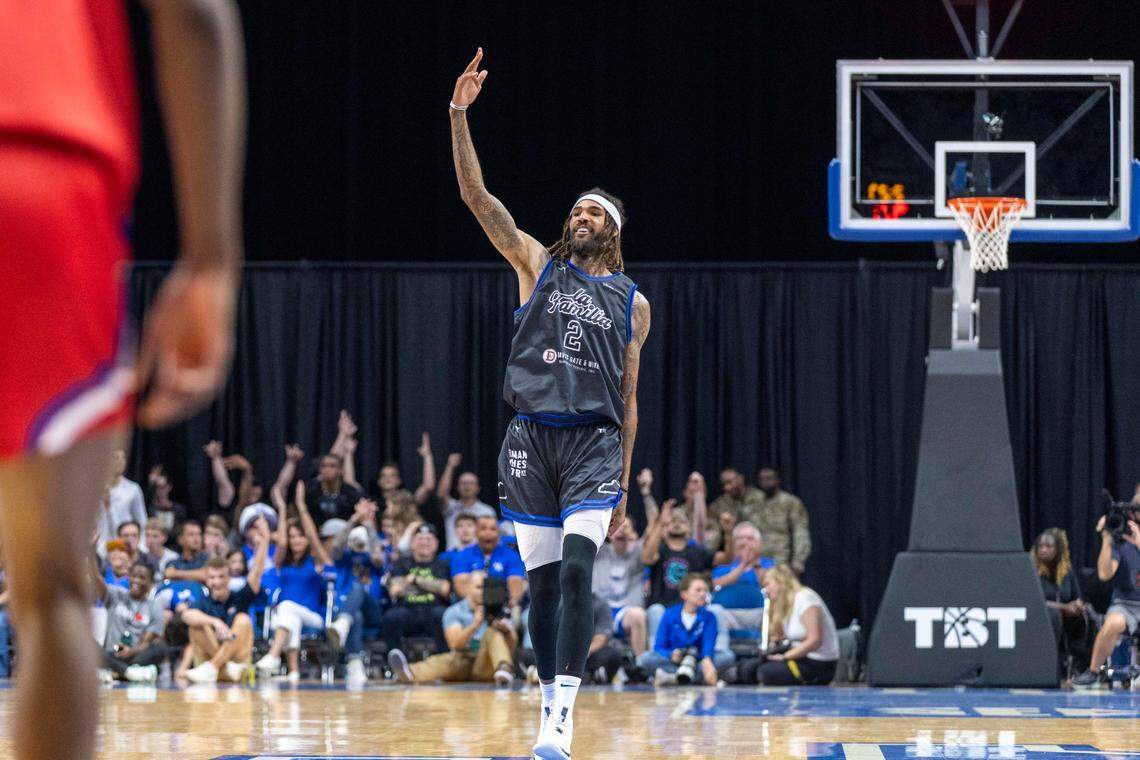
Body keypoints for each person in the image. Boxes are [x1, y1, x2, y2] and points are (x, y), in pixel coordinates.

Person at [450, 48, 652, 760]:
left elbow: (629, 397)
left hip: (593, 444)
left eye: (594, 211)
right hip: (530, 439)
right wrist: (459, 115)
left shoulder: (634, 303)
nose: (581, 215)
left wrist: (625, 478)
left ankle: (563, 716)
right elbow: (479, 200)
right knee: (539, 589)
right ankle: (546, 711)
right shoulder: (537, 264)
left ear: (614, 229)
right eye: (576, 209)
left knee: (576, 571)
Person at [256, 481, 334, 682]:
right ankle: (294, 672)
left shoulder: (316, 560)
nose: (296, 541)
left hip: (314, 617)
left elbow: (313, 537)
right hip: (287, 617)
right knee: (290, 617)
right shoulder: (283, 562)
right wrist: (281, 508)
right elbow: (281, 543)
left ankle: (273, 655)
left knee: (287, 607)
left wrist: (301, 505)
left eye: (300, 537)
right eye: (293, 537)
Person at [388, 571, 516, 687]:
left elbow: (513, 642)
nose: (483, 592)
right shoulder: (454, 612)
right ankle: (408, 673)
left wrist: (506, 630)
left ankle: (504, 669)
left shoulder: (499, 610)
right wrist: (475, 625)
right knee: (449, 660)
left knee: (493, 633)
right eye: (479, 587)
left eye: (485, 588)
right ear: (467, 588)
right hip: (463, 660)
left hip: (486, 664)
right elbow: (454, 643)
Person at [181, 519, 270, 683]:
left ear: (229, 578)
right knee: (198, 624)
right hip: (221, 672)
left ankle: (214, 666)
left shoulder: (238, 597)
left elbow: (256, 573)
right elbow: (186, 615)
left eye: (221, 576)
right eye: (212, 577)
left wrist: (264, 542)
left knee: (243, 620)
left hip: (236, 670)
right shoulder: (204, 601)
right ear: (207, 580)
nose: (217, 582)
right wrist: (215, 622)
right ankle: (218, 666)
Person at [1072, 507, 1140, 688]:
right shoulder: (1121, 544)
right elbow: (1104, 574)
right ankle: (1093, 671)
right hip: (1125, 604)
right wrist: (1106, 540)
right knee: (1112, 623)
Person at [736, 565, 838, 685]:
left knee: (766, 673)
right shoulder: (784, 604)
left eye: (768, 584)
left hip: (819, 661)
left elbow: (815, 640)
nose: (766, 590)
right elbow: (786, 637)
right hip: (798, 656)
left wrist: (785, 656)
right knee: (747, 669)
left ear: (780, 582)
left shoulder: (805, 598)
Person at [636, 574, 732, 686]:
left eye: (705, 591)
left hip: (698, 659)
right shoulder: (670, 614)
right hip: (675, 661)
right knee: (645, 658)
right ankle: (695, 678)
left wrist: (706, 658)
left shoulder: (709, 617)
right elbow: (659, 646)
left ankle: (672, 677)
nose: (702, 594)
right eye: (698, 590)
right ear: (684, 594)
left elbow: (708, 644)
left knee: (727, 656)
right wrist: (671, 654)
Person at [643, 500, 713, 642]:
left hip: (691, 606)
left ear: (689, 529)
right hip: (662, 607)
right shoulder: (659, 548)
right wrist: (661, 522)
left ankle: (707, 656)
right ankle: (656, 656)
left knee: (715, 610)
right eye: (672, 520)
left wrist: (728, 534)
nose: (676, 523)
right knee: (655, 611)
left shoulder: (698, 551)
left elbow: (725, 559)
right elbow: (647, 558)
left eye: (681, 520)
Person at [96, 560, 170, 683]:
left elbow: (146, 642)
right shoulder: (116, 594)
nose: (137, 580)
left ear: (151, 582)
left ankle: (116, 672)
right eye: (134, 576)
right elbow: (96, 580)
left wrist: (131, 651)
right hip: (114, 651)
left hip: (135, 654)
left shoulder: (154, 607)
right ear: (129, 577)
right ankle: (130, 673)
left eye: (142, 577)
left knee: (161, 648)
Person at [383, 523, 451, 653]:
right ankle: (395, 661)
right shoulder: (401, 563)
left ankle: (444, 660)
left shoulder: (442, 564)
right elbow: (395, 590)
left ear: (436, 543)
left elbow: (444, 589)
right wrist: (431, 585)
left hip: (433, 609)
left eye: (429, 539)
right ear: (412, 543)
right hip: (407, 610)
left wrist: (414, 580)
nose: (424, 542)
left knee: (443, 615)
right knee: (390, 617)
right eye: (420, 539)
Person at [1031, 528, 1089, 676]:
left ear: (1057, 549)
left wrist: (1077, 605)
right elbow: (1032, 601)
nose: (1043, 550)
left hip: (1066, 618)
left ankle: (1080, 667)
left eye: (1048, 546)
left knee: (1086, 617)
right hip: (1039, 618)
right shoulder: (1031, 569)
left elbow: (1077, 596)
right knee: (1054, 614)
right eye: (1040, 546)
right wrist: (1064, 607)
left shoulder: (1066, 570)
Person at [592, 515, 649, 655]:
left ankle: (639, 667)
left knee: (638, 615)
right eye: (619, 526)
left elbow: (653, 532)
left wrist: (647, 495)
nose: (622, 530)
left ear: (632, 534)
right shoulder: (597, 549)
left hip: (624, 613)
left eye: (627, 527)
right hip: (597, 611)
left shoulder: (639, 553)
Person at [709, 522, 774, 639]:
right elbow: (716, 586)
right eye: (740, 538)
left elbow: (771, 585)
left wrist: (755, 564)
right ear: (733, 543)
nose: (745, 542)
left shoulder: (769, 565)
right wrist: (743, 565)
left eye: (750, 538)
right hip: (728, 615)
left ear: (759, 543)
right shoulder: (724, 566)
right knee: (713, 612)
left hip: (760, 613)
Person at [450, 515, 527, 609]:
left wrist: (508, 605)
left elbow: (515, 585)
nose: (488, 533)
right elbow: (462, 587)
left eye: (493, 529)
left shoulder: (511, 555)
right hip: (471, 607)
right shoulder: (461, 556)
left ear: (499, 533)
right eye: (483, 528)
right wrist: (481, 608)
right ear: (476, 532)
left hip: (504, 606)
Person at [752, 467, 811, 574]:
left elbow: (800, 533)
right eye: (762, 479)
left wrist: (798, 561)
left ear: (777, 480)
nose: (765, 482)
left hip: (782, 562)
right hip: (757, 563)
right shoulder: (755, 504)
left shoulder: (790, 503)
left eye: (769, 478)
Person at [436, 452, 497, 550]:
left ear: (478, 488)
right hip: (453, 556)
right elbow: (441, 494)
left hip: (478, 558)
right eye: (463, 483)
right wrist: (450, 466)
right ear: (457, 487)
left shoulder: (487, 511)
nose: (467, 486)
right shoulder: (451, 507)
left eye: (471, 483)